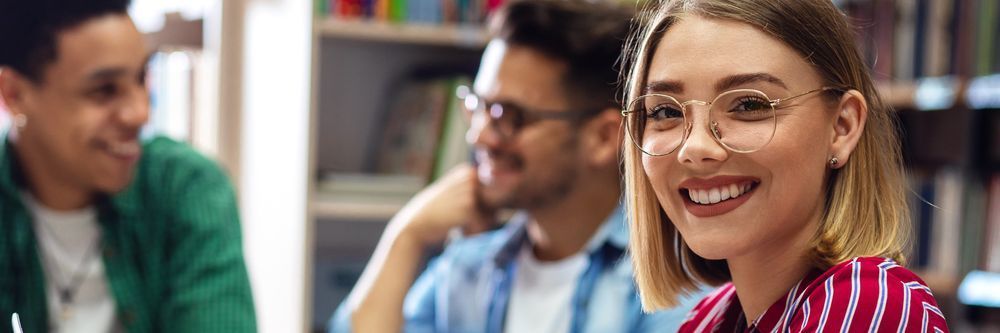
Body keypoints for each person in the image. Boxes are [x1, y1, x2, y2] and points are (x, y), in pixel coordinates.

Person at [330, 1, 704, 332]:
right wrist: (405, 236)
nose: (481, 137)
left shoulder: (674, 281)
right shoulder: (470, 266)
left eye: (510, 116)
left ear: (605, 138)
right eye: (478, 106)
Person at [619, 0, 950, 332]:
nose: (696, 148)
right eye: (666, 112)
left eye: (749, 105)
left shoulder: (869, 304)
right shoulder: (711, 317)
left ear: (842, 127)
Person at [0, 0, 256, 332]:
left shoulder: (185, 188)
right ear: (14, 93)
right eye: (104, 90)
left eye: (140, 79)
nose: (140, 113)